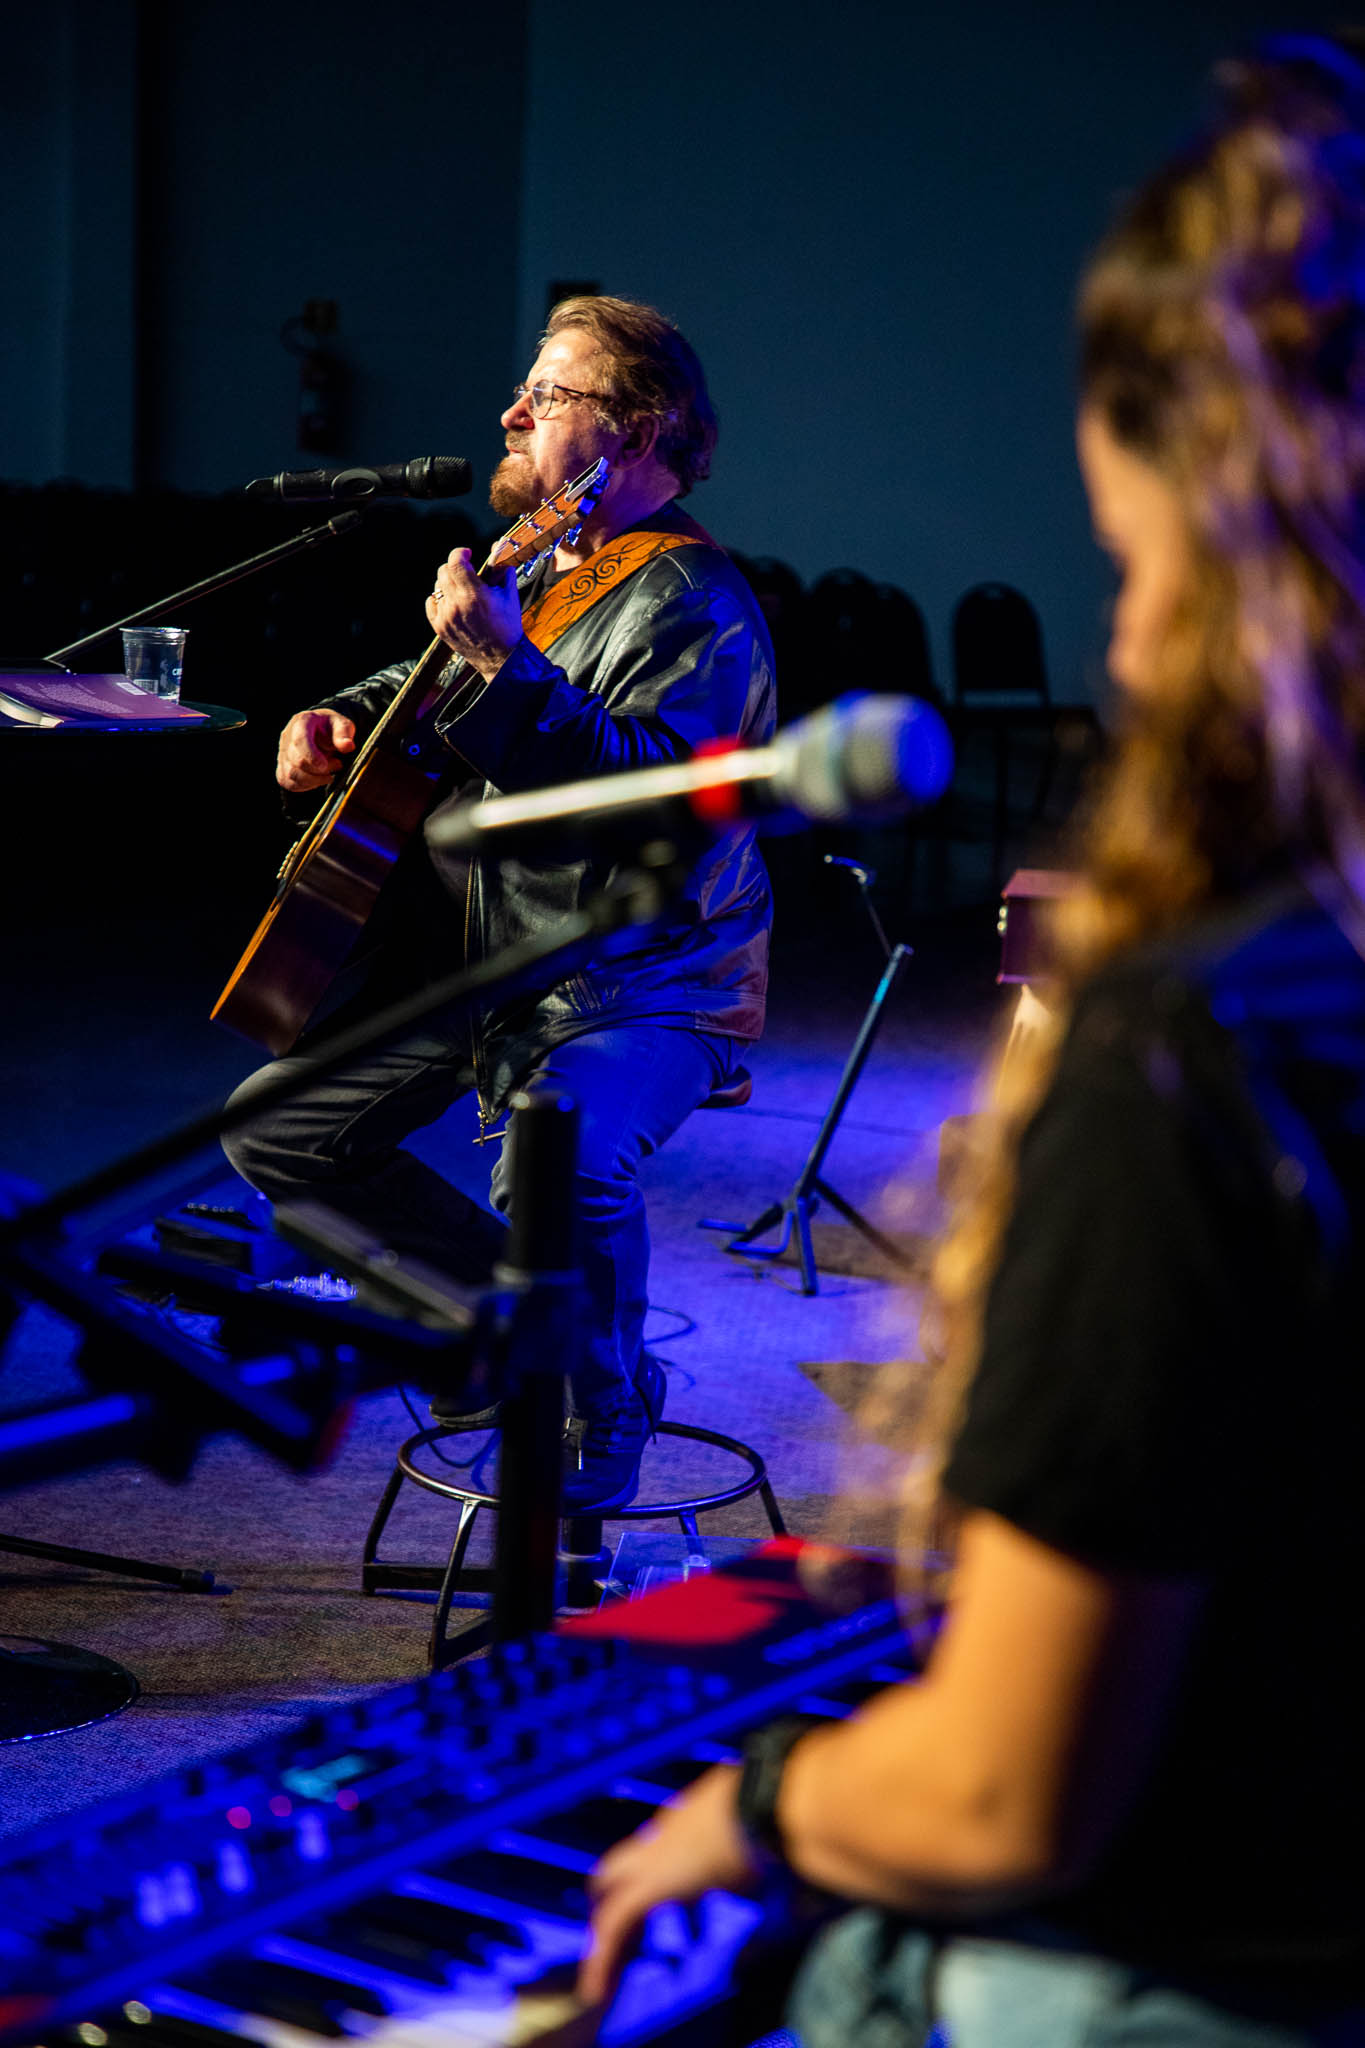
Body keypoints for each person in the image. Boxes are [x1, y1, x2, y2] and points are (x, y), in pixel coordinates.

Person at [582, 36, 1365, 2045]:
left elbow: (1006, 1796)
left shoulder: (1194, 1054)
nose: (1121, 644)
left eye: (1138, 565)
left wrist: (755, 1804)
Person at [223, 296, 775, 1511]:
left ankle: (601, 1399)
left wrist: (504, 666)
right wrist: (334, 720)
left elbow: (652, 808)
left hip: (643, 978)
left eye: (550, 393)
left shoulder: (697, 601)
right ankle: (511, 1333)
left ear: (637, 432)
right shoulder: (546, 554)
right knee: (276, 1129)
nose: (512, 412)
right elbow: (413, 678)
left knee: (554, 1155)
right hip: (491, 962)